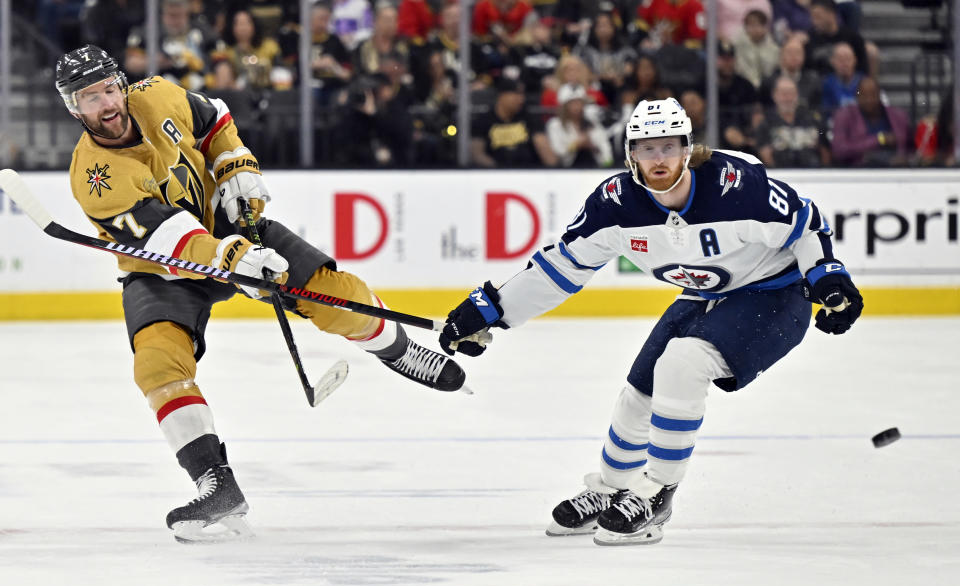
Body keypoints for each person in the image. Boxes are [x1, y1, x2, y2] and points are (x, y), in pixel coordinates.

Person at [55, 44, 467, 543]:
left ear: (121, 85)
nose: (105, 104)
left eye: (107, 88)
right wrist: (233, 261)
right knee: (157, 365)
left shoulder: (158, 94)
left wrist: (234, 165)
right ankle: (216, 482)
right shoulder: (94, 177)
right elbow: (166, 240)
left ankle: (399, 351)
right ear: (73, 108)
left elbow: (214, 121)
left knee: (334, 293)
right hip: (162, 269)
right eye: (88, 97)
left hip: (229, 224)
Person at [438, 97, 863, 545]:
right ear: (630, 155)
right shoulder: (616, 205)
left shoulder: (736, 184)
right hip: (706, 293)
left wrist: (828, 277)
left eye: (668, 147)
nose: (658, 159)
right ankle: (612, 489)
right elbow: (561, 269)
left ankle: (658, 492)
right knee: (639, 393)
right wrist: (492, 311)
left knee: (682, 364)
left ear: (687, 149)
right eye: (646, 148)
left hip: (776, 294)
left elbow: (805, 221)